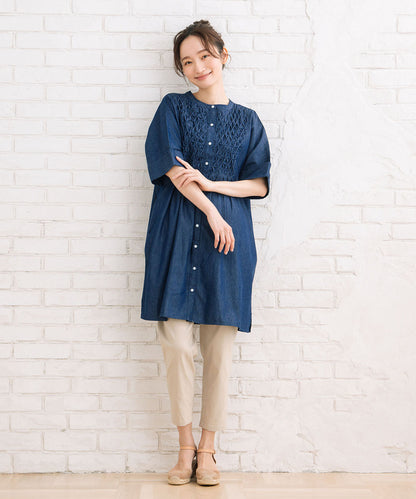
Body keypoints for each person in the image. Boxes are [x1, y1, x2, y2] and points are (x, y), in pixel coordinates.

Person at [141, 19, 271, 486]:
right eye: (187, 62)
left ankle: (209, 450)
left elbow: (257, 185)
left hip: (228, 243)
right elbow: (174, 170)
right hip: (178, 235)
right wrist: (212, 210)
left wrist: (214, 186)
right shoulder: (173, 108)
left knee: (219, 353)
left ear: (223, 55)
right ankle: (184, 449)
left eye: (205, 56)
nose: (198, 67)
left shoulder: (249, 120)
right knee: (176, 344)